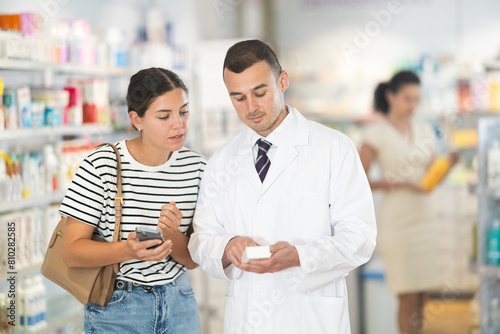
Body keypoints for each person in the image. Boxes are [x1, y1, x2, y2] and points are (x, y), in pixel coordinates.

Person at [188, 39, 377, 333]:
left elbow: (360, 237)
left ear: (283, 81)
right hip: (247, 317)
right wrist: (227, 247)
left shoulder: (334, 148)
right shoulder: (222, 161)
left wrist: (300, 255)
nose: (250, 107)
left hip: (310, 317)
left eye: (259, 93)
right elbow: (200, 240)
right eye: (238, 98)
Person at [60, 67, 205, 333]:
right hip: (118, 307)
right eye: (164, 116)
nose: (179, 124)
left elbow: (193, 260)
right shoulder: (102, 164)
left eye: (183, 111)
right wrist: (126, 251)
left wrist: (171, 234)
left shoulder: (197, 168)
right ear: (136, 119)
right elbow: (71, 252)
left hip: (179, 304)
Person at [359, 70, 459, 334]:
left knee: (423, 296)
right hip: (397, 223)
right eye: (407, 99)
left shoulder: (425, 129)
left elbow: (429, 180)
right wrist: (400, 183)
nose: (413, 106)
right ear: (391, 96)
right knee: (405, 296)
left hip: (425, 220)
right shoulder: (374, 133)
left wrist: (448, 166)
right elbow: (359, 181)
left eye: (417, 100)